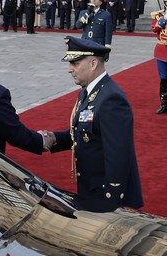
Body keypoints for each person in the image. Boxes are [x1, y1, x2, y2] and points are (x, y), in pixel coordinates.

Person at [49, 36, 143, 213]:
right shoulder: (88, 92)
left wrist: (114, 202)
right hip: (91, 189)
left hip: (105, 196)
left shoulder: (111, 99)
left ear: (93, 63)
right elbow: (85, 134)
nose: (70, 69)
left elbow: (118, 155)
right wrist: (53, 139)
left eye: (75, 63)